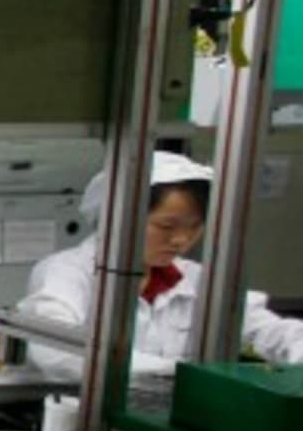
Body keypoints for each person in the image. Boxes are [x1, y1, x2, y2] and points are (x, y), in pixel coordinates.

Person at [18, 151, 303, 381]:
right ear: (118, 216)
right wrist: (176, 372)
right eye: (166, 226)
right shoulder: (67, 272)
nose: (181, 240)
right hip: (72, 419)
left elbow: (268, 331)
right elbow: (57, 350)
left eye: (194, 228)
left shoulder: (197, 280)